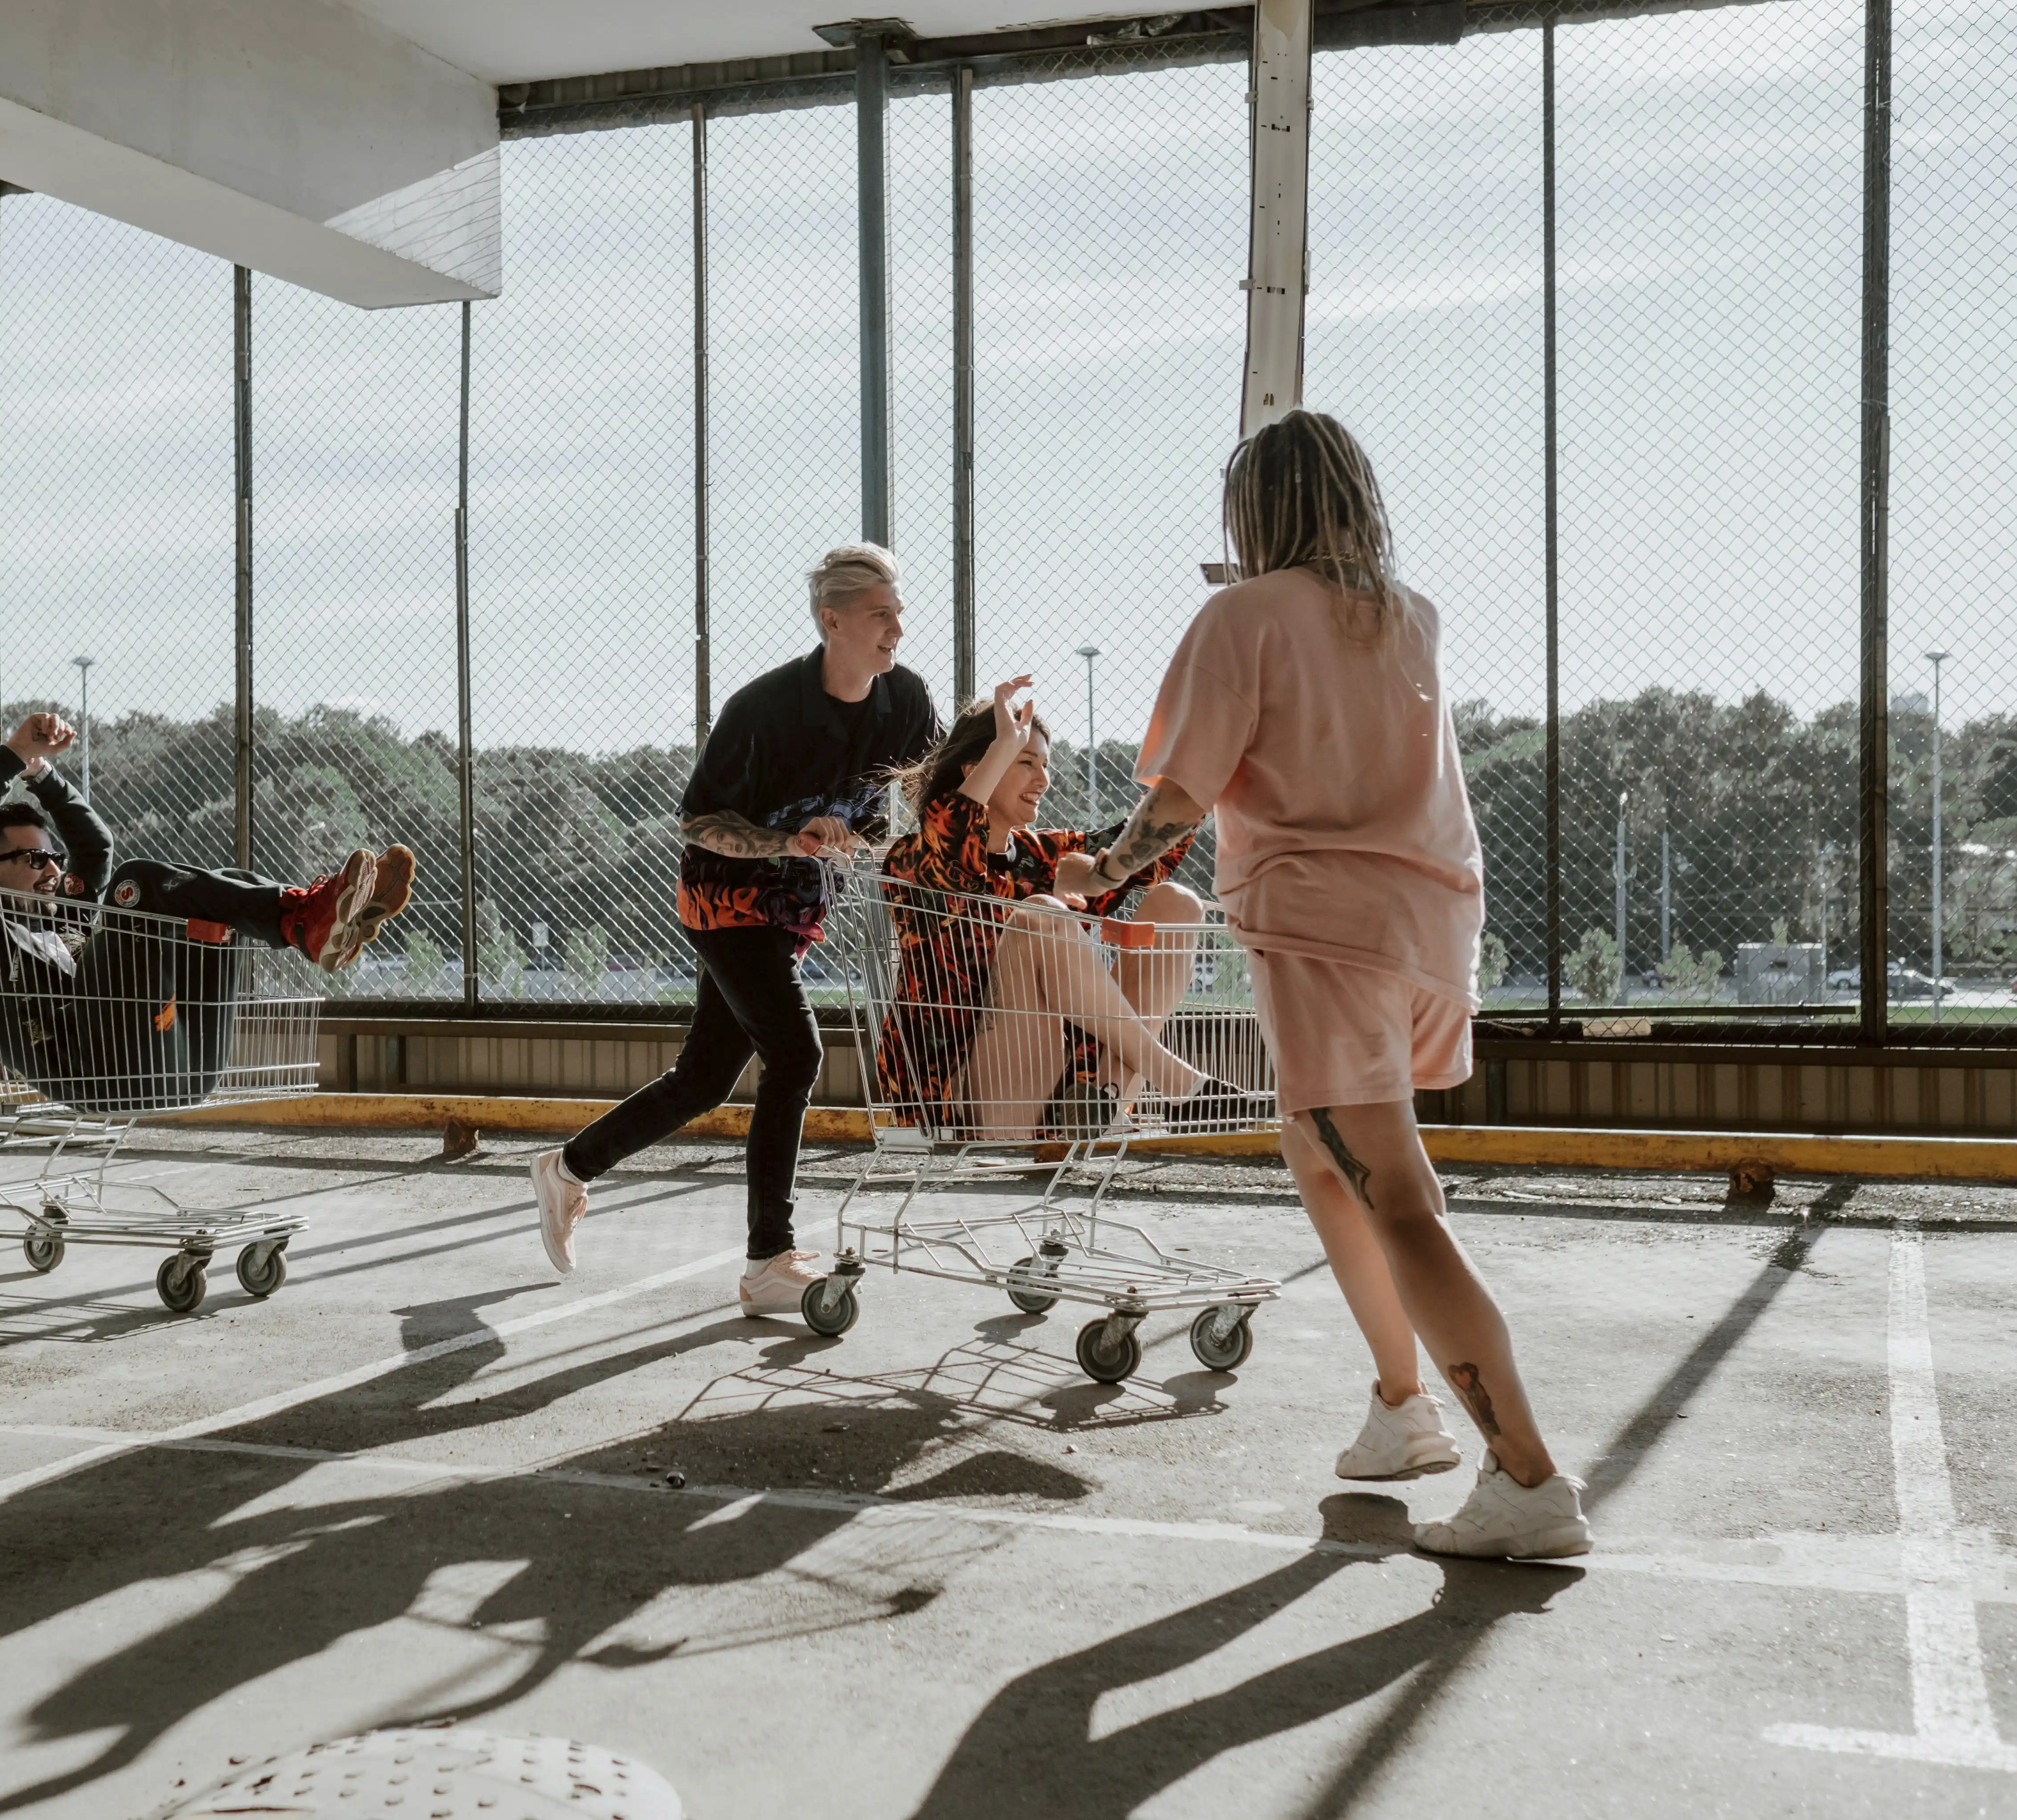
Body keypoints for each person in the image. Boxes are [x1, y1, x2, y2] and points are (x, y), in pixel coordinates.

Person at [1061, 410, 1589, 1561]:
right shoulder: (1408, 617)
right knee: (1322, 1155)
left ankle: (1528, 1475)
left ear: (1255, 512)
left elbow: (1182, 797)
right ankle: (1404, 1410)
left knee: (1391, 1191)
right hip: (1430, 924)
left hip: (1325, 933)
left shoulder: (1241, 615)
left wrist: (1098, 869)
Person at [527, 543, 938, 1314]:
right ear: (834, 621)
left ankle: (569, 1169)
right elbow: (698, 823)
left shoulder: (905, 701)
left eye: (900, 612)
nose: (897, 629)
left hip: (794, 909)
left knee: (705, 1077)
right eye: (882, 614)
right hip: (725, 902)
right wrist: (789, 840)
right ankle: (767, 1260)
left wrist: (886, 821)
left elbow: (917, 795)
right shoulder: (764, 709)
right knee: (795, 1052)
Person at [0, 712, 414, 1110]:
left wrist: (41, 773)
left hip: (184, 1062)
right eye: (33, 858)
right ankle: (303, 921)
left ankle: (306, 916)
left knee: (231, 889)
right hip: (97, 1071)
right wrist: (16, 754)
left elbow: (95, 845)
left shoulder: (61, 913)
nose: (51, 868)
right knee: (136, 885)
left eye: (53, 856)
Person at [877, 677, 1239, 1140]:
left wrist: (1202, 754)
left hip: (1065, 1078)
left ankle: (1103, 1102)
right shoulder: (912, 858)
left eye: (1045, 765)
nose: (1044, 780)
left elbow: (1141, 852)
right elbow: (954, 843)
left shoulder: (1038, 854)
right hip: (964, 1091)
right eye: (1026, 762)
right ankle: (1178, 1082)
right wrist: (1006, 739)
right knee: (1043, 913)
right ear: (977, 768)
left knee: (1175, 904)